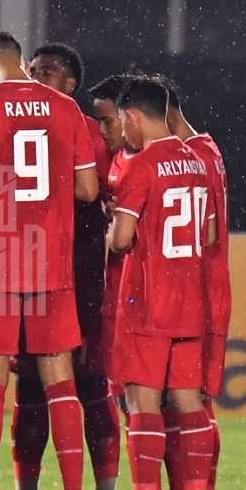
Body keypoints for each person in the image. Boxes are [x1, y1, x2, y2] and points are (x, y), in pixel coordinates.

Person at [0, 32, 99, 490]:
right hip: (50, 263)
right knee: (61, 384)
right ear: (22, 64)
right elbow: (87, 188)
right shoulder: (65, 109)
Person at [0, 43, 120, 490]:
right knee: (28, 390)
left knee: (91, 387)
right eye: (34, 69)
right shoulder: (10, 127)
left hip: (80, 283)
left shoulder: (88, 131)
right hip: (27, 278)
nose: (37, 76)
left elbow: (103, 192)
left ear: (71, 85)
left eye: (50, 72)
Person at [106, 76, 214, 490]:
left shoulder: (141, 166)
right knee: (189, 403)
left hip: (149, 300)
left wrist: (112, 226)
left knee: (141, 402)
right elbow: (207, 236)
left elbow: (121, 241)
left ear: (133, 116)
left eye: (122, 122)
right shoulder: (197, 161)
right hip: (191, 301)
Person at [156, 74, 231, 490]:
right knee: (184, 401)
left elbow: (203, 234)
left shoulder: (193, 157)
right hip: (201, 292)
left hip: (195, 295)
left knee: (192, 402)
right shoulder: (210, 150)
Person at [87, 73, 137, 418]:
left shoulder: (147, 163)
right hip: (116, 290)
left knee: (147, 399)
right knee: (120, 395)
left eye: (107, 122)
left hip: (143, 295)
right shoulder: (110, 159)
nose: (102, 130)